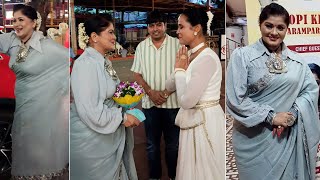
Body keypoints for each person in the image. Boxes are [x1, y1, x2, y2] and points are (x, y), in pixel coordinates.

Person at [226, 3, 320, 180]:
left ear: (287, 30)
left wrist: (292, 114)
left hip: (286, 138)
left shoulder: (297, 62)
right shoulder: (243, 56)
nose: (274, 32)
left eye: (280, 27)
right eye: (269, 25)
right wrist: (271, 116)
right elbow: (235, 100)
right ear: (260, 24)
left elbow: (310, 91)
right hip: (252, 140)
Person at [0, 4, 69, 179]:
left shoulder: (47, 47)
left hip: (43, 103)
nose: (16, 24)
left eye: (21, 20)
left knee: (40, 144)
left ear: (33, 23)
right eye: (14, 20)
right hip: (22, 101)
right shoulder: (12, 41)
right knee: (22, 142)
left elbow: (70, 59)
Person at [70, 15, 141, 180]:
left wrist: (126, 97)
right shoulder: (86, 64)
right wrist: (122, 117)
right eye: (109, 32)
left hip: (107, 136)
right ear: (94, 37)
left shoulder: (103, 61)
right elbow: (90, 110)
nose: (114, 37)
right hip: (92, 143)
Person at [165, 8, 225, 180]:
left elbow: (187, 101)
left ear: (196, 28)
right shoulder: (190, 55)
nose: (177, 31)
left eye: (181, 26)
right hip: (193, 120)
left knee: (205, 171)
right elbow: (169, 84)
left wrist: (180, 71)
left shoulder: (206, 58)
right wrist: (179, 67)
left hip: (204, 122)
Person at [131, 10, 180, 180]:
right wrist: (150, 92)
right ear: (148, 28)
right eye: (152, 25)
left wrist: (166, 93)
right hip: (149, 105)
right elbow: (137, 74)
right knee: (151, 146)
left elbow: (183, 72)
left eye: (159, 24)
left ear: (165, 25)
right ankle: (155, 177)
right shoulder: (141, 47)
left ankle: (174, 176)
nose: (155, 29)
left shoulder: (177, 45)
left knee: (173, 145)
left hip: (173, 104)